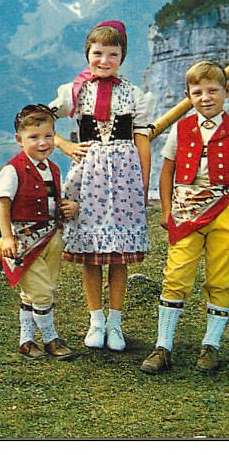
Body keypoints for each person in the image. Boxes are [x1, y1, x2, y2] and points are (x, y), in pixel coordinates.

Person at [140, 61, 229, 375]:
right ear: (188, 96)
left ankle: (211, 345)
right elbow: (168, 172)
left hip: (227, 209)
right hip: (185, 209)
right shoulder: (180, 130)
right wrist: (167, 211)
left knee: (222, 275)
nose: (206, 98)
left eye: (213, 90)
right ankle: (163, 345)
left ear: (226, 91)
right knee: (176, 273)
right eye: (197, 92)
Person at [48, 20, 155, 352]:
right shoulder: (74, 91)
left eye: (113, 53)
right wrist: (65, 146)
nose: (105, 60)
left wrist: (144, 186)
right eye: (98, 53)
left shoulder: (134, 94)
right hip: (89, 175)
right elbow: (39, 121)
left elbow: (142, 143)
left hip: (125, 179)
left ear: (122, 56)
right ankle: (95, 321)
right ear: (87, 54)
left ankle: (115, 324)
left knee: (118, 256)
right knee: (91, 254)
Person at [0, 104, 80, 360]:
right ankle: (51, 339)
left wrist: (70, 206)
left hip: (51, 238)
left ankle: (25, 341)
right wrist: (7, 237)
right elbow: (3, 204)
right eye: (34, 137)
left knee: (35, 293)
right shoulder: (12, 170)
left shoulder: (53, 168)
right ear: (19, 140)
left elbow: (54, 199)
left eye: (48, 136)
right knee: (42, 293)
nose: (42, 143)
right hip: (24, 242)